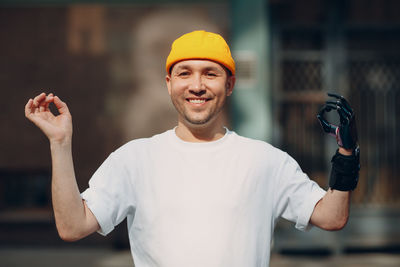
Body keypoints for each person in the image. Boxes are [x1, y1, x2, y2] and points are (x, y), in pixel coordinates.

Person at [25, 30, 360, 267]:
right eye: (185, 73)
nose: (197, 85)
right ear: (169, 83)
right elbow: (72, 226)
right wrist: (60, 143)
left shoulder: (265, 161)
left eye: (210, 74)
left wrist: (347, 155)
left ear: (229, 85)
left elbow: (332, 217)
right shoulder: (134, 159)